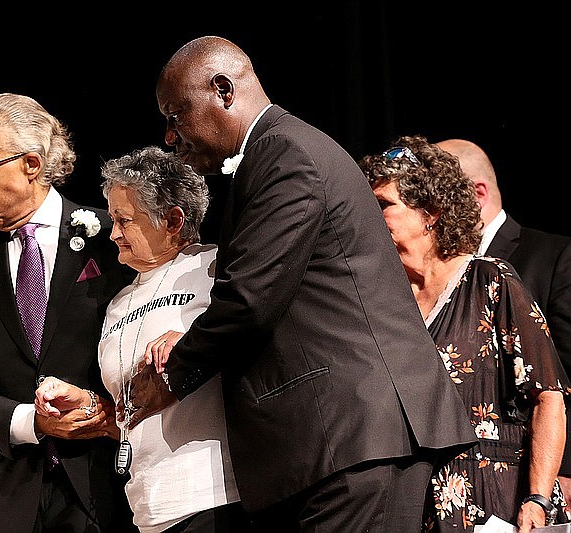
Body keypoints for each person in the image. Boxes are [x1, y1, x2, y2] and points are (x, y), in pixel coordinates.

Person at [127, 35, 478, 532]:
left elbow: (250, 298)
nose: (169, 135)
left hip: (354, 434)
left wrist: (174, 375)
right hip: (339, 441)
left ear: (224, 90)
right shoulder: (276, 154)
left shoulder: (285, 154)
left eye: (175, 114)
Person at [0, 93, 136, 533]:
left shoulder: (114, 240)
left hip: (109, 490)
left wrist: (109, 413)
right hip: (10, 501)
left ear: (32, 165)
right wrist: (29, 422)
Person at [358, 134, 571, 532]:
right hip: (409, 505)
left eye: (383, 206)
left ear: (431, 212)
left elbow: (548, 398)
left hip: (498, 501)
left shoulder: (491, 281)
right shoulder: (381, 304)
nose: (369, 219)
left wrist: (538, 498)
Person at [33, 145, 247, 533]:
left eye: (124, 220)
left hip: (218, 495)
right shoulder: (116, 303)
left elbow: (250, 340)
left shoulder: (217, 269)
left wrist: (190, 339)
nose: (112, 233)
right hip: (147, 508)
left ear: (173, 220)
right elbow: (131, 416)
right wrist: (86, 404)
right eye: (112, 219)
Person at [436, 138, 571, 507]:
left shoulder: (552, 256)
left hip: (535, 473)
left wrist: (564, 469)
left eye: (439, 189)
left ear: (477, 193)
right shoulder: (426, 273)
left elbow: (564, 376)